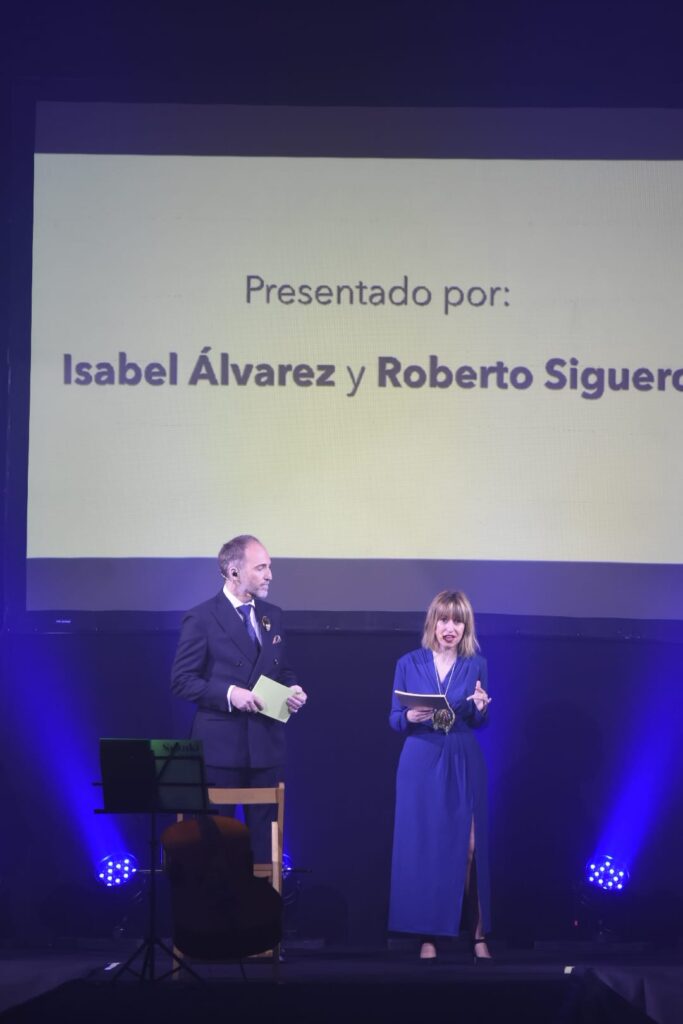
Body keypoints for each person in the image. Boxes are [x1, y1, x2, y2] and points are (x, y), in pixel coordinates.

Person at [171, 534, 307, 861]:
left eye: (269, 567)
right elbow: (182, 680)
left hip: (266, 748)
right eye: (261, 568)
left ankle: (263, 894)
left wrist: (293, 689)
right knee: (214, 845)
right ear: (234, 572)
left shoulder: (273, 615)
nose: (269, 575)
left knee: (265, 846)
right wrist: (231, 694)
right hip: (221, 751)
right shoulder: (202, 618)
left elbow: (282, 669)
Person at [388, 590, 492, 962]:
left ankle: (478, 934)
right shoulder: (409, 662)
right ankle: (428, 935)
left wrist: (480, 708)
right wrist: (409, 716)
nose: (450, 628)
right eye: (444, 620)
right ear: (433, 622)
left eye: (458, 621)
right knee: (425, 848)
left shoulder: (476, 664)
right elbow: (394, 718)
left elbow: (480, 719)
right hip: (421, 757)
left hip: (462, 756)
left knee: (470, 847)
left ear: (466, 627)